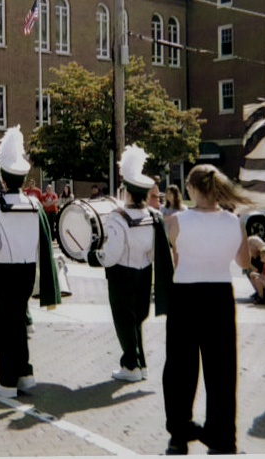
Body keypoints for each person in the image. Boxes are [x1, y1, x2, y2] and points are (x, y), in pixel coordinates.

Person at [162, 164, 252, 455]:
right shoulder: (233, 221)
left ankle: (179, 431)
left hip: (186, 294)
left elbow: (177, 253)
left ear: (191, 188)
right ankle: (223, 435)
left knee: (180, 367)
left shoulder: (176, 221)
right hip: (220, 295)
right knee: (222, 369)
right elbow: (244, 262)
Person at [0, 125, 61, 398]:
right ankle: (25, 373)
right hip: (27, 269)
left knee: (2, 327)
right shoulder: (35, 205)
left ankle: (7, 382)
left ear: (3, 178)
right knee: (19, 324)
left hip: (4, 271)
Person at [101, 145, 172, 383]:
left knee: (124, 320)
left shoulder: (118, 218)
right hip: (145, 272)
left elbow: (111, 255)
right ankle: (140, 363)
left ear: (128, 192)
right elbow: (155, 250)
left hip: (122, 274)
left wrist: (93, 256)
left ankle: (130, 364)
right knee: (138, 319)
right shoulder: (153, 217)